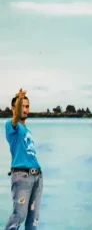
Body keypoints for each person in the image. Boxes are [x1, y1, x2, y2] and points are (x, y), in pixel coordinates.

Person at [4, 88, 42, 230]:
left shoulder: (27, 131)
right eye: (22, 106)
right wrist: (20, 97)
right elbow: (16, 117)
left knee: (33, 219)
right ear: (14, 108)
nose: (25, 109)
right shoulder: (11, 127)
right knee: (19, 215)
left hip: (37, 177)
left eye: (27, 106)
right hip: (22, 177)